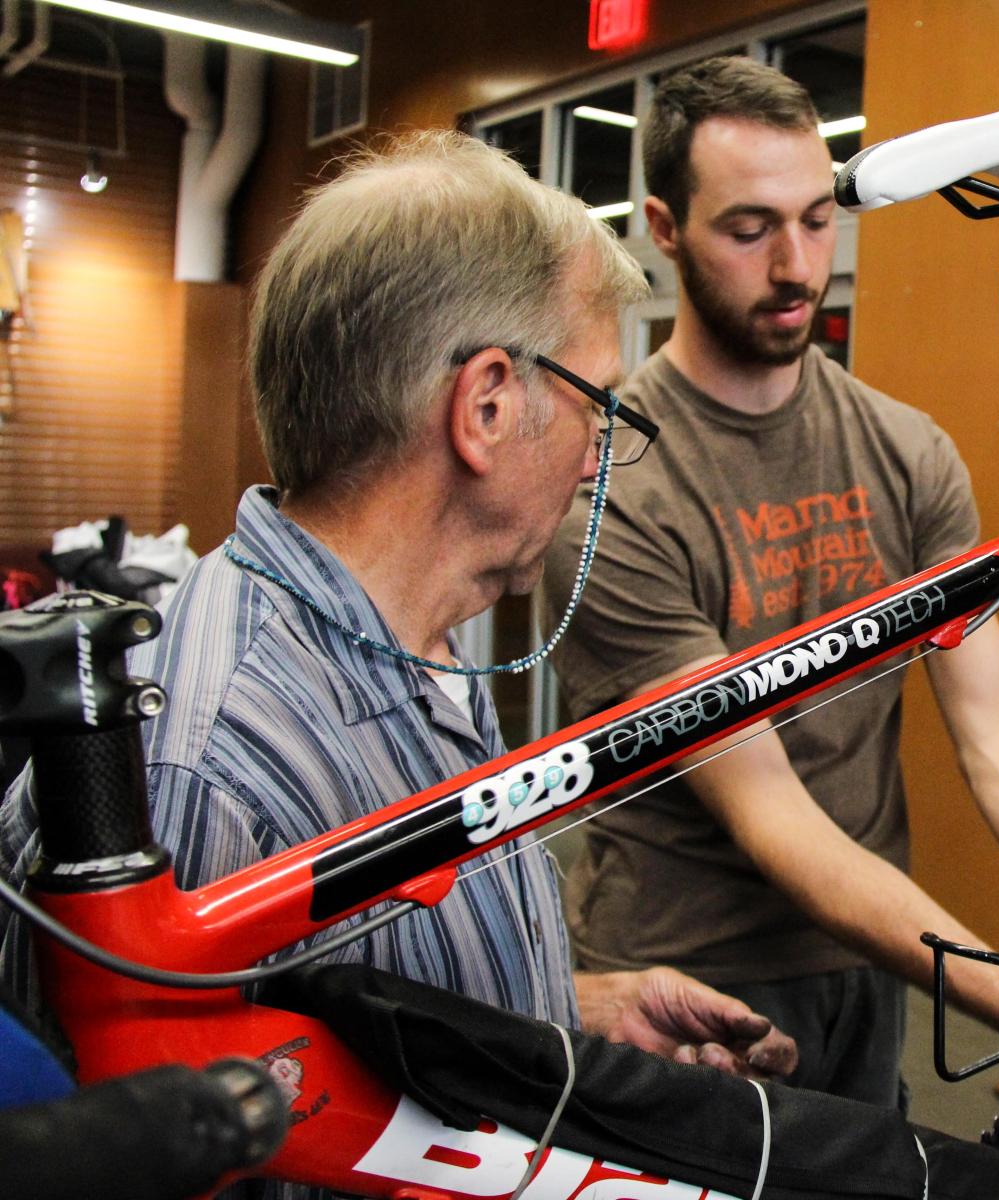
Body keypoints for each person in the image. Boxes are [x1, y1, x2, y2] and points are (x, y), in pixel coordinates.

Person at [0, 132, 797, 1199]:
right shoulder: (207, 765)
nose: (601, 450)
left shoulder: (414, 640)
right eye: (597, 406)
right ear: (487, 407)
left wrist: (569, 1015)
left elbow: (327, 1019)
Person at [543, 56, 999, 1109]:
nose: (797, 263)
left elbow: (998, 736)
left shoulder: (903, 449)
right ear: (664, 229)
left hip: (867, 966)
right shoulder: (614, 490)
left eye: (816, 219)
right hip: (681, 985)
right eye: (749, 229)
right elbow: (779, 823)